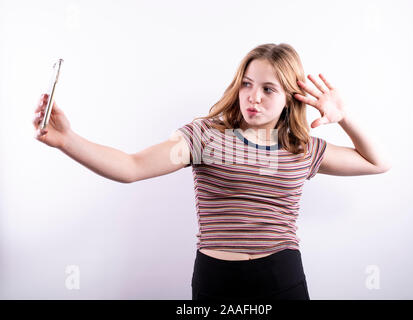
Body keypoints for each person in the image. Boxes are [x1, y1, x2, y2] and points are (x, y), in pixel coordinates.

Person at [32, 43, 392, 300]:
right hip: (217, 277)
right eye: (248, 85)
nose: (253, 97)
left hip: (281, 274)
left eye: (269, 89)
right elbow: (132, 166)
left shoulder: (302, 147)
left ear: (290, 98)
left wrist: (345, 118)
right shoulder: (205, 137)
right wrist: (68, 140)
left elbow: (378, 162)